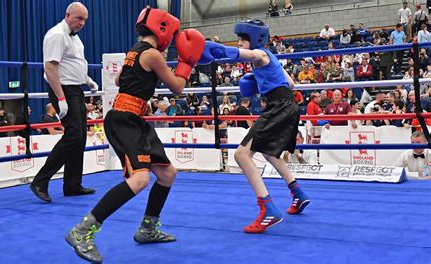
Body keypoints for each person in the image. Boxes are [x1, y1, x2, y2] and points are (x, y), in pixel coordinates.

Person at [65, 7, 205, 263]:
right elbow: (177, 89)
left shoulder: (134, 51)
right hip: (125, 121)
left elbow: (119, 80)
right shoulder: (152, 55)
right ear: (163, 30)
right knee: (140, 179)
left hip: (131, 119)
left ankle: (147, 228)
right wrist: (186, 63)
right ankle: (82, 231)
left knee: (167, 173)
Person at [200, 19, 309, 234]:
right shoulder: (271, 57)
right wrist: (260, 80)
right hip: (288, 105)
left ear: (254, 40)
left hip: (279, 106)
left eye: (243, 39)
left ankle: (268, 208)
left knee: (241, 155)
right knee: (271, 154)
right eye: (238, 40)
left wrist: (216, 49)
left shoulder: (260, 54)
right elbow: (291, 84)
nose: (240, 43)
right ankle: (298, 194)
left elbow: (251, 55)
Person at [29, 2, 99, 203]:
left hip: (76, 89)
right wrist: (61, 98)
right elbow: (50, 68)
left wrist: (87, 79)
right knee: (74, 135)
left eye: (85, 20)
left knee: (80, 137)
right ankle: (40, 181)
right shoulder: (57, 34)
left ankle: (72, 184)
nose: (82, 23)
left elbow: (73, 63)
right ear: (68, 15)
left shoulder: (74, 39)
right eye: (79, 18)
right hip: (64, 90)